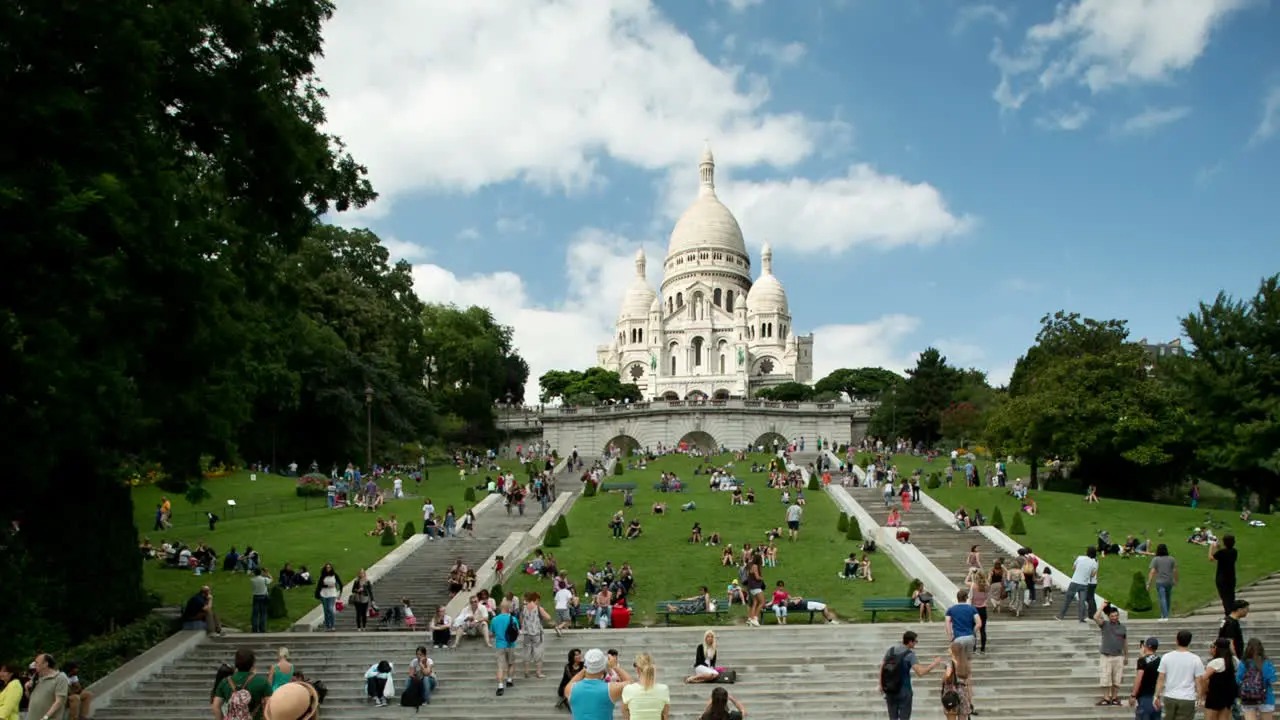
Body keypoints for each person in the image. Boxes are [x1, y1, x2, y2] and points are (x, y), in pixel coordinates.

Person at [879, 630, 940, 720]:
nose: (916, 643)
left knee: (892, 717)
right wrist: (934, 664)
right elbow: (920, 672)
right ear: (910, 642)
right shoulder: (910, 655)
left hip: (890, 689)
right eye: (915, 641)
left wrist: (881, 684)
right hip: (904, 690)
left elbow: (882, 667)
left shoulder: (891, 651)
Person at [564, 648, 632, 720]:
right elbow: (630, 683)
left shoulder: (570, 689)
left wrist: (587, 667)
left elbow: (571, 681)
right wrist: (614, 666)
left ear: (585, 665)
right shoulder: (610, 689)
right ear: (603, 667)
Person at [212, 647, 274, 719]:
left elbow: (216, 706)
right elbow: (270, 706)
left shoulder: (225, 682)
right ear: (252, 663)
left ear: (236, 663)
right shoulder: (262, 682)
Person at [1155, 629, 1205, 720]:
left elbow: (1161, 678)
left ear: (1177, 640)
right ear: (1189, 642)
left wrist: (1156, 695)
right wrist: (1200, 697)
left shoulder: (1167, 657)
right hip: (1187, 697)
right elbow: (1199, 680)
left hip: (1170, 696)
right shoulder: (1195, 659)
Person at [1093, 604, 1128, 706]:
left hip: (1118, 656)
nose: (1114, 618)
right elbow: (1095, 617)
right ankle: (1106, 698)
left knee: (1117, 678)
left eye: (1116, 615)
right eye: (1112, 616)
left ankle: (1114, 697)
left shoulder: (1122, 627)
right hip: (1106, 656)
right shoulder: (1105, 624)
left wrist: (1126, 655)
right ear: (1109, 616)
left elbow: (1125, 642)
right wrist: (1102, 606)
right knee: (1105, 677)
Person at [1236, 638, 1277, 720]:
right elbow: (1272, 679)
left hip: (1247, 697)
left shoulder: (1243, 663)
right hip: (1266, 697)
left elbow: (1238, 680)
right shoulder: (1267, 662)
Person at [621, 653, 671, 720]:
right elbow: (665, 715)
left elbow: (625, 713)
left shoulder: (628, 689)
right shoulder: (663, 689)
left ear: (637, 670)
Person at [1201, 638, 1239, 720]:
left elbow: (1204, 678)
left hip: (1215, 694)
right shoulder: (1234, 660)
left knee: (1210, 717)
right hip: (1228, 694)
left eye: (1213, 646)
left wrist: (1203, 693)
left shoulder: (1216, 662)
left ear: (1217, 648)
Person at [491, 599, 520, 696]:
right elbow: (517, 632)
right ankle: (509, 680)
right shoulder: (513, 619)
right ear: (508, 608)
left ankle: (500, 686)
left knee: (500, 666)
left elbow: (491, 633)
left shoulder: (495, 619)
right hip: (511, 644)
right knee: (511, 663)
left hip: (500, 645)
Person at [1129, 637, 1161, 720]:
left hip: (1144, 698)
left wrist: (1133, 695)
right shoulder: (1160, 660)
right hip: (1156, 698)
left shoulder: (1142, 661)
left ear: (1145, 646)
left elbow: (1139, 678)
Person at [944, 589, 981, 657]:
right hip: (970, 637)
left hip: (958, 637)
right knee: (967, 660)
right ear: (966, 598)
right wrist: (973, 631)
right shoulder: (972, 608)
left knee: (957, 660)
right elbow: (979, 623)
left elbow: (947, 623)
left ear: (957, 598)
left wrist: (950, 635)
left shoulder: (951, 609)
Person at [1146, 543, 1178, 621]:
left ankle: (1165, 615)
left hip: (1160, 581)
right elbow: (1175, 570)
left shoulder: (1156, 559)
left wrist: (1149, 583)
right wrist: (1175, 580)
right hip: (1169, 581)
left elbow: (1152, 571)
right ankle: (1165, 615)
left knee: (1162, 598)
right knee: (1168, 598)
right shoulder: (1171, 559)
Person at [1210, 534, 1239, 616]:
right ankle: (1232, 613)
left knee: (1224, 597)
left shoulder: (1222, 552)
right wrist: (1219, 548)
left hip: (1221, 578)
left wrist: (1211, 548)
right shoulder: (1234, 551)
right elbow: (1223, 554)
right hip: (1231, 577)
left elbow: (1211, 558)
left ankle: (1228, 614)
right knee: (1231, 596)